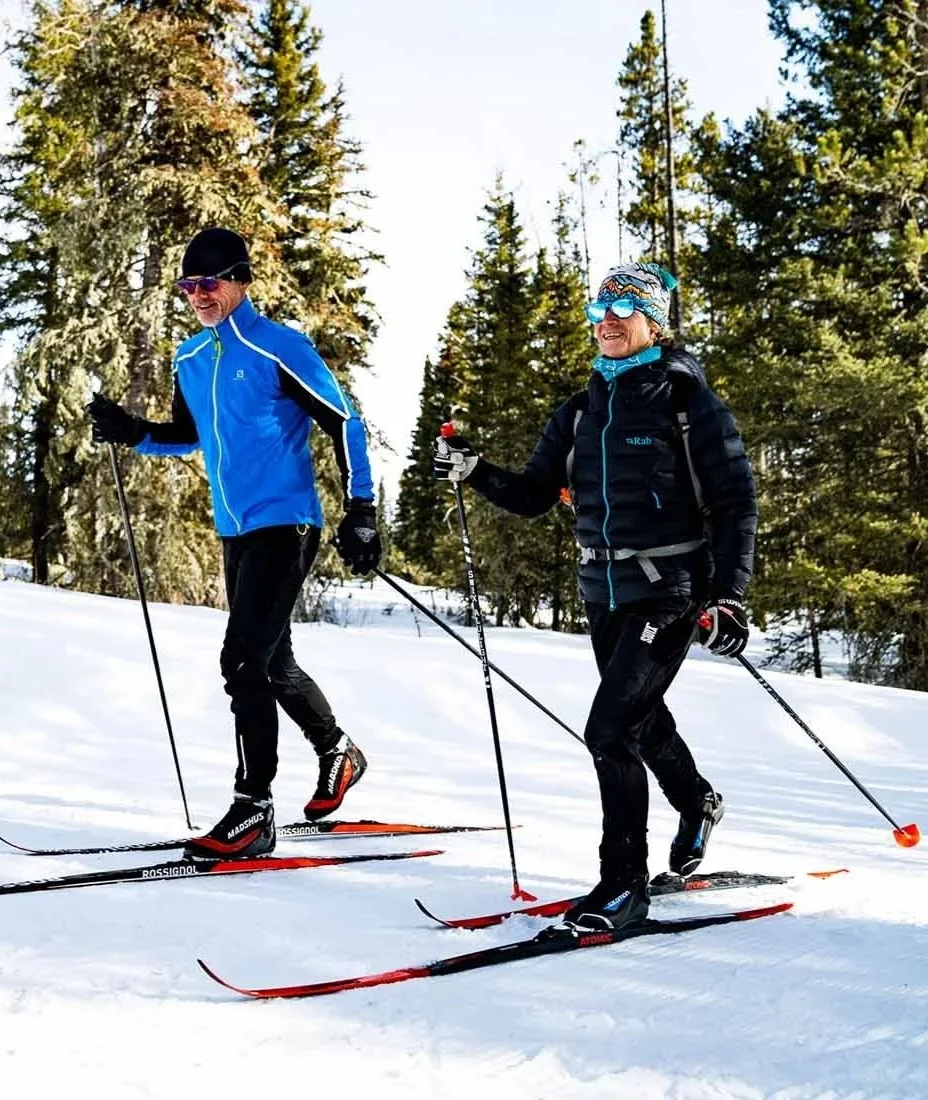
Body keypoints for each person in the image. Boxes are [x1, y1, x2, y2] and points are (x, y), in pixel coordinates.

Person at [432, 262, 757, 930]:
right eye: (598, 308)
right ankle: (696, 802)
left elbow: (734, 504)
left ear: (652, 322)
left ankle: (623, 885)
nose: (605, 320)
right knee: (639, 718)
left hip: (670, 590)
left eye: (622, 308)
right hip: (602, 590)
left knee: (609, 730)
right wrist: (475, 470)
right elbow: (530, 494)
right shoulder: (582, 410)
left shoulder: (689, 404)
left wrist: (729, 597)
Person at [87, 227, 381, 860]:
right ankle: (338, 752)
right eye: (188, 286)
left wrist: (362, 507)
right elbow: (187, 435)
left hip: (287, 521)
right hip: (236, 528)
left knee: (242, 661)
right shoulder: (190, 358)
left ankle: (253, 808)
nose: (199, 295)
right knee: (271, 663)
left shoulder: (279, 347)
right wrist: (133, 431)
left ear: (241, 280)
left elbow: (344, 420)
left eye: (210, 283)